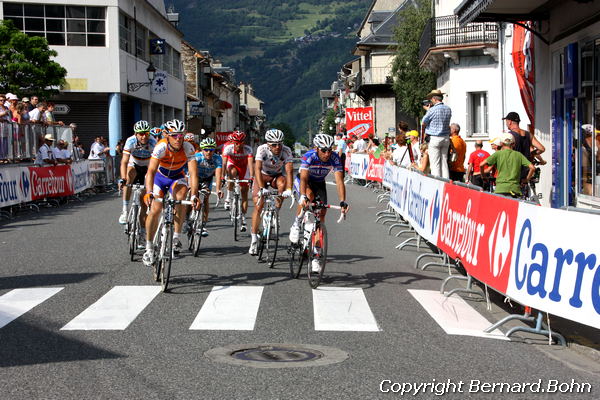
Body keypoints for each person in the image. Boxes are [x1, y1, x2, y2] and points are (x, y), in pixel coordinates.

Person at [142, 119, 199, 266]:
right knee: (155, 209)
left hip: (177, 177)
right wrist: (148, 192)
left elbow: (193, 173)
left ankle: (175, 237)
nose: (178, 139)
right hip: (159, 178)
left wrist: (194, 195)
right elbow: (151, 171)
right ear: (167, 135)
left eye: (181, 136)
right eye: (174, 136)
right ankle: (148, 247)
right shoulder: (161, 147)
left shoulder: (188, 148)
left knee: (181, 198)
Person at [289, 134, 349, 273]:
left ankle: (316, 257)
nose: (327, 153)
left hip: (319, 183)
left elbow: (340, 181)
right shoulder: (310, 156)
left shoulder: (334, 158)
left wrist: (342, 201)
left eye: (329, 149)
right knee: (308, 197)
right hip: (304, 181)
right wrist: (303, 196)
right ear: (317, 149)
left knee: (321, 216)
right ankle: (296, 223)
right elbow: (303, 178)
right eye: (323, 150)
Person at [249, 129, 294, 255]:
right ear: (268, 144)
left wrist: (289, 190)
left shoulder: (286, 150)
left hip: (276, 176)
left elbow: (289, 170)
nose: (277, 147)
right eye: (274, 144)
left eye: (280, 143)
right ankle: (253, 239)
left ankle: (276, 211)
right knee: (258, 205)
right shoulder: (262, 149)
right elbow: (257, 168)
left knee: (283, 183)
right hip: (262, 176)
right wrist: (262, 189)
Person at [118, 120, 157, 227]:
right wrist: (123, 178)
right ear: (136, 134)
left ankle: (142, 233)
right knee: (128, 177)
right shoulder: (130, 141)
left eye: (146, 133)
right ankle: (125, 210)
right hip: (134, 164)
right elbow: (124, 162)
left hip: (147, 166)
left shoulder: (153, 142)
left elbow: (156, 164)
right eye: (141, 134)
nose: (144, 136)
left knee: (144, 201)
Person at [480, 133, 535, 198]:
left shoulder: (498, 154)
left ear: (501, 143)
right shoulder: (518, 155)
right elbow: (532, 168)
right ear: (513, 144)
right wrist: (526, 180)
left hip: (500, 189)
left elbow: (481, 165)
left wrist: (483, 176)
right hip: (514, 189)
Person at [222, 131, 254, 232]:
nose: (238, 145)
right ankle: (228, 197)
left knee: (244, 192)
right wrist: (223, 177)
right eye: (236, 142)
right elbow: (224, 164)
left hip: (244, 168)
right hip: (232, 165)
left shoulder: (248, 150)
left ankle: (243, 218)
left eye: (241, 142)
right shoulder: (228, 148)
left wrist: (251, 177)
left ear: (244, 142)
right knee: (232, 172)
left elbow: (250, 165)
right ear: (233, 142)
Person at [193, 137, 224, 236]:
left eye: (211, 150)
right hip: (195, 177)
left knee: (206, 198)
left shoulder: (217, 158)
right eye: (206, 150)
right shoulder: (197, 157)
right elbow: (190, 172)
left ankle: (203, 224)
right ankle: (188, 216)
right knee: (192, 195)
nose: (208, 152)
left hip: (207, 178)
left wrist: (218, 189)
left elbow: (218, 174)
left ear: (214, 150)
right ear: (202, 150)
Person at [421, 89, 452, 178]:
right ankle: (446, 180)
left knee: (435, 164)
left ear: (434, 99)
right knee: (444, 162)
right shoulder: (448, 109)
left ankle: (437, 182)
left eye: (431, 99)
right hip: (445, 137)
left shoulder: (432, 110)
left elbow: (423, 122)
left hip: (435, 138)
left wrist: (428, 110)